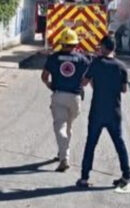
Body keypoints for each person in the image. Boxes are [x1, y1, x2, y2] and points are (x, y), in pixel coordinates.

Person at [76, 37, 130, 189]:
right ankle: (126, 175)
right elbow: (124, 89)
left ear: (103, 47)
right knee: (119, 143)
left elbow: (84, 82)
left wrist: (97, 82)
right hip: (114, 111)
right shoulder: (121, 67)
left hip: (97, 111)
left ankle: (84, 178)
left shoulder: (96, 63)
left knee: (91, 144)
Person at [41, 28, 90, 172]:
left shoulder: (53, 58)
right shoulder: (82, 59)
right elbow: (87, 79)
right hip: (75, 98)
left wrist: (50, 85)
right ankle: (62, 152)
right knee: (68, 126)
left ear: (62, 43)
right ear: (75, 44)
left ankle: (64, 158)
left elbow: (44, 77)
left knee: (60, 127)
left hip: (59, 96)